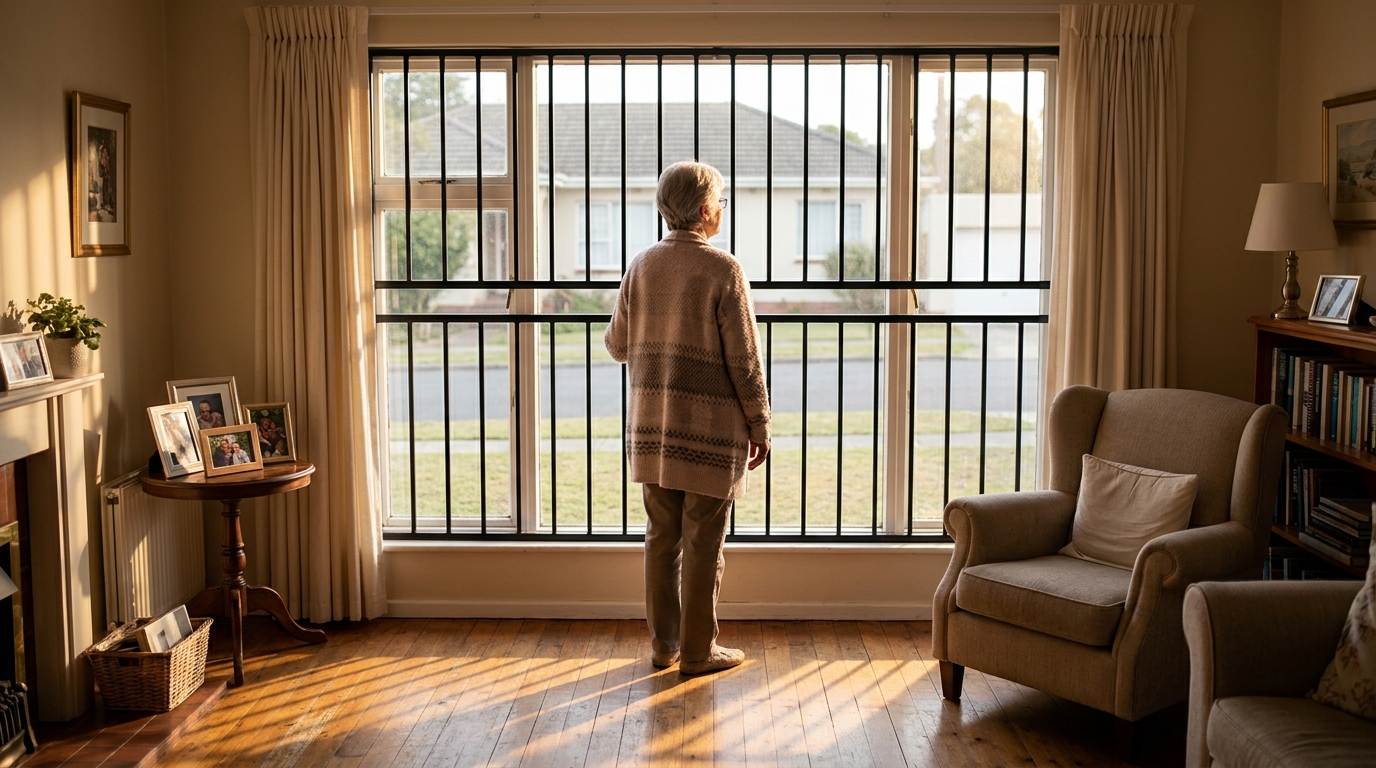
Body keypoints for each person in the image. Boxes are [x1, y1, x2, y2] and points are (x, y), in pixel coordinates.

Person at [605, 161, 770, 677]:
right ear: (704, 210)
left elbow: (616, 345)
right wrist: (760, 421)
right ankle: (698, 653)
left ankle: (663, 646)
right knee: (704, 543)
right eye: (720, 200)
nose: (722, 208)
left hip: (653, 432)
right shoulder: (724, 269)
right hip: (710, 433)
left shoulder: (642, 265)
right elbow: (744, 359)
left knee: (661, 538)